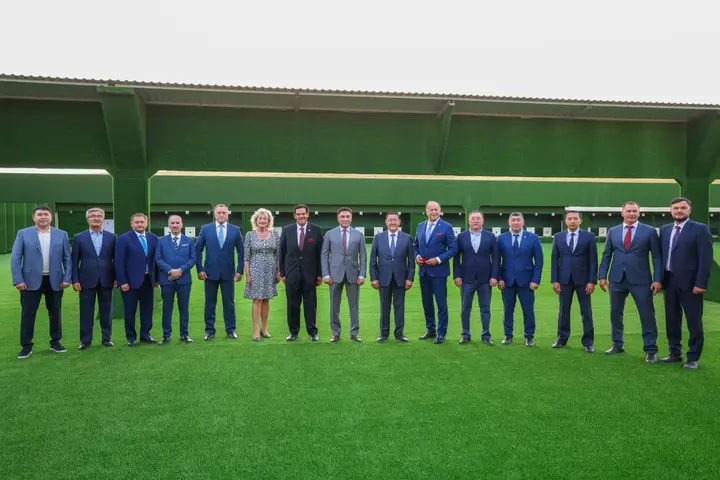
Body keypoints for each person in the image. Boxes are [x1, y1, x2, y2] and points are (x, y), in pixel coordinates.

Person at [598, 201, 662, 363]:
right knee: (615, 313)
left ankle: (650, 350)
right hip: (617, 279)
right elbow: (606, 255)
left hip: (641, 280)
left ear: (639, 213)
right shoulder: (613, 231)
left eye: (634, 211)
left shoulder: (649, 231)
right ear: (622, 213)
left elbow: (656, 257)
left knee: (647, 315)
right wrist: (602, 276)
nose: (631, 214)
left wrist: (657, 279)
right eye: (628, 211)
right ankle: (617, 344)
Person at [659, 197, 713, 370]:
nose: (679, 211)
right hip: (669, 281)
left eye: (683, 208)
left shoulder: (700, 229)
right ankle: (674, 352)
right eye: (676, 208)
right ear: (670, 210)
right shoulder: (665, 229)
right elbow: (661, 257)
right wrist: (659, 279)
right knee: (672, 320)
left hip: (691, 284)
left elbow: (705, 259)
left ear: (689, 210)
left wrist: (701, 283)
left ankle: (693, 357)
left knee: (694, 321)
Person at [11, 205, 71, 359]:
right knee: (28, 313)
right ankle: (26, 346)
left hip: (55, 280)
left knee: (55, 312)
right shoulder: (23, 234)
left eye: (46, 214)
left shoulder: (61, 234)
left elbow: (67, 258)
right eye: (39, 214)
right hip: (29, 281)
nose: (43, 217)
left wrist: (67, 278)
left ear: (51, 217)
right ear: (34, 217)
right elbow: (16, 258)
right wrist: (18, 280)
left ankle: (55, 342)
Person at [550, 210, 597, 352]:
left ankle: (588, 342)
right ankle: (562, 339)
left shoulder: (589, 237)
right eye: (569, 218)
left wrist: (591, 281)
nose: (572, 221)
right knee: (563, 310)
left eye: (575, 218)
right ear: (565, 221)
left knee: (586, 311)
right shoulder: (558, 237)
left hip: (584, 280)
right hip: (564, 280)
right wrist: (554, 280)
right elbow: (554, 260)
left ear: (580, 221)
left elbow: (593, 260)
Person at [195, 204, 244, 340]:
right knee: (210, 303)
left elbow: (241, 252)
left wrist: (239, 271)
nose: (221, 215)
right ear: (214, 214)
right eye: (218, 213)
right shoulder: (206, 229)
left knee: (229, 303)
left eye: (224, 213)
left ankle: (231, 329)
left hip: (229, 273)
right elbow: (197, 249)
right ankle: (209, 330)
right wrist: (200, 269)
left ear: (228, 214)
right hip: (209, 273)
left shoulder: (235, 230)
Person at [71, 207, 117, 350]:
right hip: (85, 280)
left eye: (99, 216)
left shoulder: (112, 237)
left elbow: (116, 260)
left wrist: (117, 278)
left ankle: (106, 338)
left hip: (107, 279)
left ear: (103, 219)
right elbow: (74, 261)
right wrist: (75, 280)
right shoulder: (79, 237)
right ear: (87, 219)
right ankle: (85, 341)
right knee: (86, 311)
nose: (96, 218)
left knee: (106, 310)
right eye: (92, 216)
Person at [414, 201, 457, 344]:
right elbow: (416, 245)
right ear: (426, 211)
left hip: (439, 272)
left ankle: (441, 333)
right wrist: (417, 256)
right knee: (427, 303)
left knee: (441, 304)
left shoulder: (446, 227)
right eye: (431, 210)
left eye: (436, 210)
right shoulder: (420, 226)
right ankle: (430, 329)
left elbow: (453, 249)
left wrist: (438, 259)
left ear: (440, 211)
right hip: (424, 271)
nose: (434, 212)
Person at [497, 212, 543, 347]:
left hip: (527, 281)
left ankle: (529, 336)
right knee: (508, 310)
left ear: (523, 222)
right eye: (513, 220)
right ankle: (508, 335)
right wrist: (499, 278)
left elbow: (539, 261)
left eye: (518, 220)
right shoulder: (501, 238)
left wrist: (535, 280)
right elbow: (496, 261)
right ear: (509, 222)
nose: (516, 222)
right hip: (507, 281)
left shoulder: (533, 238)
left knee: (528, 310)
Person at [453, 211, 498, 345]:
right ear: (469, 221)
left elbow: (496, 259)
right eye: (473, 218)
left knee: (485, 309)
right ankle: (465, 335)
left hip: (485, 279)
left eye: (478, 218)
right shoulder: (461, 237)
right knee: (465, 308)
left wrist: (494, 276)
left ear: (483, 220)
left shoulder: (490, 236)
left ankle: (486, 335)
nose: (475, 221)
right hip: (466, 278)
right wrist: (457, 275)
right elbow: (456, 259)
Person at [279, 204, 323, 342]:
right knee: (292, 304)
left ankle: (312, 332)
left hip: (310, 274)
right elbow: (282, 253)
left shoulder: (316, 230)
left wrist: (319, 274)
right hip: (292, 274)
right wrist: (283, 273)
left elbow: (320, 254)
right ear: (294, 216)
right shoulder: (287, 230)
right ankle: (293, 332)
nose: (301, 216)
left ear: (307, 214)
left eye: (303, 213)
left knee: (310, 304)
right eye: (298, 214)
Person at [322, 207, 367, 342]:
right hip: (334, 275)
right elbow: (324, 255)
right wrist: (325, 274)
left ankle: (354, 333)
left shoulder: (359, 235)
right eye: (343, 216)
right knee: (334, 306)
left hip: (353, 275)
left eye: (348, 216)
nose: (345, 219)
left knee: (354, 306)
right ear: (338, 218)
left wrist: (362, 274)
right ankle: (335, 333)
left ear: (351, 218)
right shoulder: (330, 234)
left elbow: (363, 256)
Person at [115, 213, 159, 347]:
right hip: (130, 282)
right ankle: (131, 337)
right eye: (137, 222)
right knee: (130, 310)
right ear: (132, 224)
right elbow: (119, 262)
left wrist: (156, 279)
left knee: (147, 310)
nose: (140, 224)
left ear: (146, 223)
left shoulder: (153, 238)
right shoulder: (124, 238)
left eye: (142, 222)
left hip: (148, 280)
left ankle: (145, 334)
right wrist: (123, 281)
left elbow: (156, 260)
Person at [369, 212, 414, 343]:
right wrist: (373, 278)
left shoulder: (407, 238)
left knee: (399, 307)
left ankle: (399, 333)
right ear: (386, 222)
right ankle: (384, 334)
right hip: (383, 278)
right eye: (390, 220)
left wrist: (410, 278)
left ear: (399, 222)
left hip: (401, 278)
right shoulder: (378, 238)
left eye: (395, 220)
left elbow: (411, 261)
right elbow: (373, 260)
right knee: (384, 307)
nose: (392, 222)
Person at [155, 215, 196, 344]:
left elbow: (193, 259)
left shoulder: (189, 241)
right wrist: (170, 270)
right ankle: (166, 335)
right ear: (169, 225)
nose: (175, 225)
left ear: (181, 224)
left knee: (184, 308)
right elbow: (158, 259)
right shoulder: (161, 241)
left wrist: (180, 270)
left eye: (177, 223)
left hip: (184, 280)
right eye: (172, 223)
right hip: (167, 279)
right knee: (167, 308)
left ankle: (184, 334)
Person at [243, 208, 281, 341]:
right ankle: (255, 331)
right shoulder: (250, 235)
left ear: (269, 221)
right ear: (256, 220)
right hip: (255, 270)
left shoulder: (275, 235)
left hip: (270, 270)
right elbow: (246, 257)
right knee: (257, 299)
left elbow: (278, 255)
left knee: (266, 299)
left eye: (265, 219)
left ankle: (264, 329)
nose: (263, 221)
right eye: (260, 218)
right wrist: (248, 274)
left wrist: (278, 272)